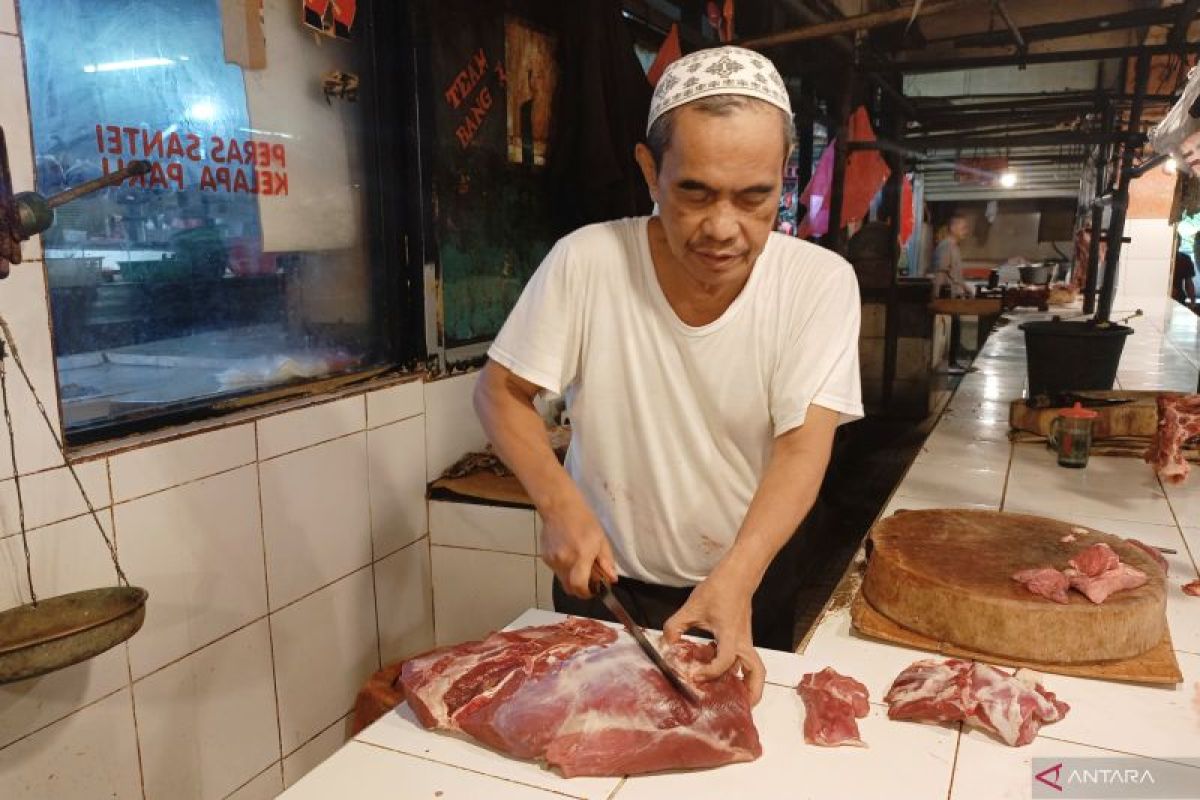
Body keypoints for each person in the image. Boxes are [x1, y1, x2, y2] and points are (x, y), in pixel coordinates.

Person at [473, 46, 863, 705]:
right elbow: (500, 394)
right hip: (607, 582)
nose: (723, 228)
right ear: (651, 170)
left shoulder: (818, 283)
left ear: (783, 176)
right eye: (694, 192)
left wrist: (738, 577)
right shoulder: (589, 261)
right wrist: (561, 507)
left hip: (748, 576)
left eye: (754, 198)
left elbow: (803, 444)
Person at [930, 213, 970, 299]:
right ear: (952, 228)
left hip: (956, 299)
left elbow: (956, 277)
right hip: (948, 300)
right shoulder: (946, 247)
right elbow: (939, 275)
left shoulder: (954, 247)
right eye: (963, 228)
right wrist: (937, 298)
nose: (966, 232)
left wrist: (967, 290)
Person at [1173, 240, 1196, 305]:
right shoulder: (1159, 260)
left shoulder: (1185, 259)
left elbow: (1189, 283)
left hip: (1178, 299)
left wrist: (1193, 302)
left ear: (1179, 244)